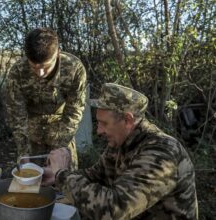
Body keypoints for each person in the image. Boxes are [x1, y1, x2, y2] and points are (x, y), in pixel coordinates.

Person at [43, 83, 198, 219]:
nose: (98, 131)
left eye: (104, 123)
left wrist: (62, 175)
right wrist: (54, 176)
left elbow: (113, 210)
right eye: (98, 122)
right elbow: (95, 176)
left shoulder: (161, 154)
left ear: (128, 120)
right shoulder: (120, 142)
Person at [5, 27, 87, 169]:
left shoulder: (74, 68)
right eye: (34, 67)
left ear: (58, 54)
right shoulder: (17, 71)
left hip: (62, 131)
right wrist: (23, 152)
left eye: (45, 67)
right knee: (30, 183)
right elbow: (16, 115)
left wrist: (59, 148)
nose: (40, 73)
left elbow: (74, 112)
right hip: (30, 136)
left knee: (64, 181)